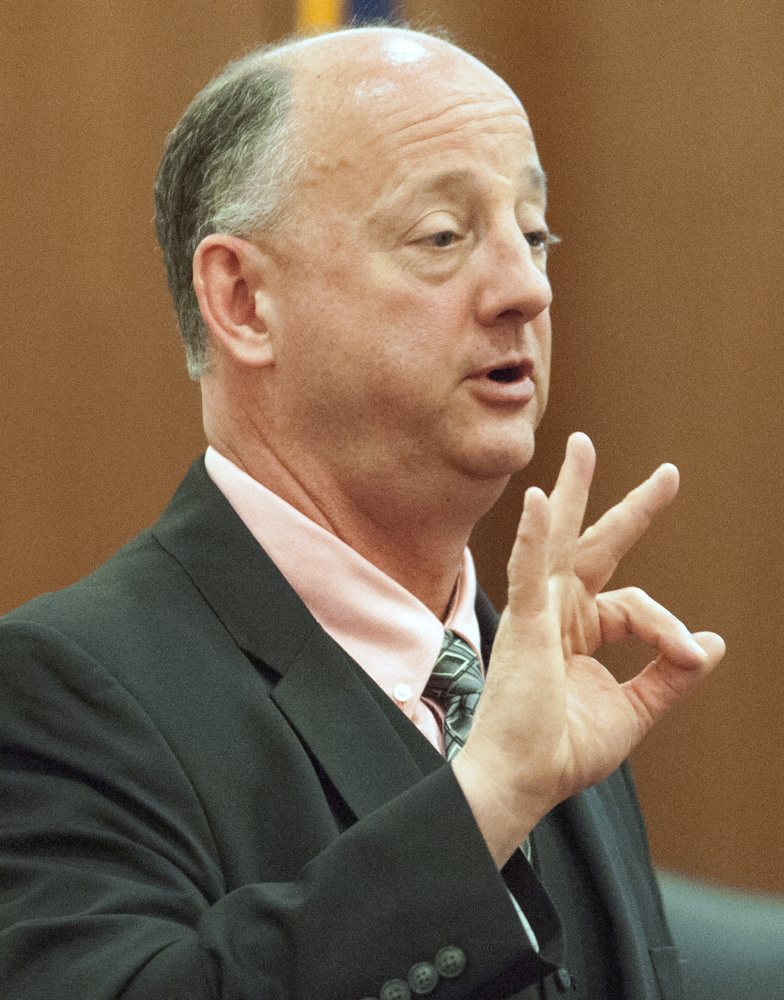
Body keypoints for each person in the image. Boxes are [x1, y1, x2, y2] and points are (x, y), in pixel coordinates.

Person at [0, 26, 725, 1000]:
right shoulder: (60, 689)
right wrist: (484, 803)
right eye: (443, 236)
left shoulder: (522, 674)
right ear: (245, 298)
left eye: (533, 232)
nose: (525, 287)